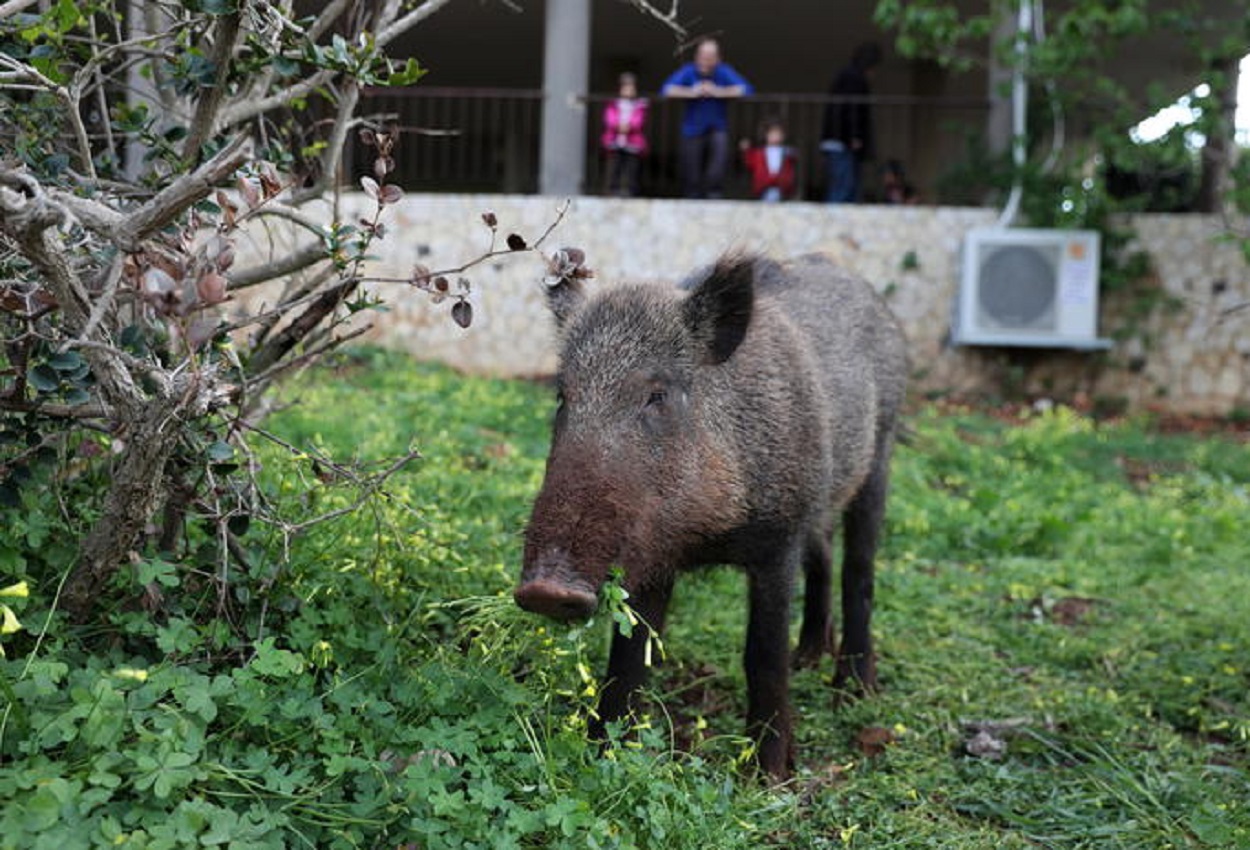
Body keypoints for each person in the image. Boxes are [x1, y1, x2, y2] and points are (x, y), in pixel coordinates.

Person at [661, 38, 754, 199]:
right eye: (703, 55)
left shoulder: (723, 71)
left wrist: (718, 91)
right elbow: (667, 90)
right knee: (691, 166)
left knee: (719, 161)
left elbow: (746, 89)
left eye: (710, 56)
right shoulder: (688, 71)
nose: (706, 60)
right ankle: (692, 195)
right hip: (692, 128)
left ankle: (713, 193)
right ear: (697, 56)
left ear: (718, 58)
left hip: (718, 127)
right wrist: (692, 92)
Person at [820, 42, 882, 203]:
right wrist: (854, 136)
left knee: (847, 187)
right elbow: (851, 110)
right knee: (844, 187)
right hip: (842, 142)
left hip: (837, 139)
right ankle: (834, 222)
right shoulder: (854, 78)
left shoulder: (845, 76)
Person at [600, 72, 649, 197]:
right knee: (614, 168)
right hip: (615, 142)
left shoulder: (640, 105)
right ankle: (612, 190)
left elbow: (639, 120)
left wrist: (629, 126)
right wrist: (617, 126)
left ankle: (631, 191)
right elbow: (609, 118)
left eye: (631, 88)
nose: (628, 91)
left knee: (632, 169)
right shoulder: (613, 104)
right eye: (625, 88)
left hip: (633, 143)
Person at [739, 119, 797, 202]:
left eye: (778, 134)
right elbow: (749, 163)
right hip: (763, 184)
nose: (775, 137)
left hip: (781, 185)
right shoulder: (759, 153)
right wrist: (746, 151)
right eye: (772, 134)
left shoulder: (786, 153)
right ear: (766, 136)